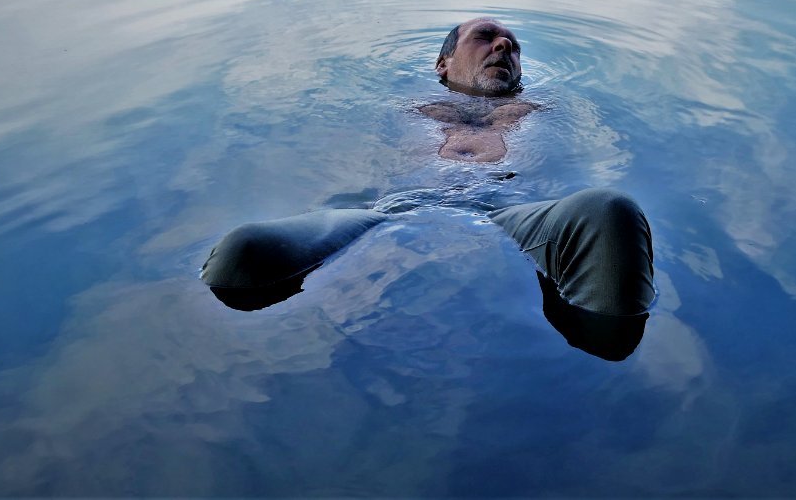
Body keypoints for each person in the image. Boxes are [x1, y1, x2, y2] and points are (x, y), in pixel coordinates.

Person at [201, 18, 655, 361]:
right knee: (243, 254)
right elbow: (343, 170)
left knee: (610, 212)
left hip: (509, 206)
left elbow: (583, 168)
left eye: (514, 47)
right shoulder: (406, 108)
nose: (505, 46)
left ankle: (597, 352)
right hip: (396, 207)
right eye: (486, 37)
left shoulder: (544, 109)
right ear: (443, 63)